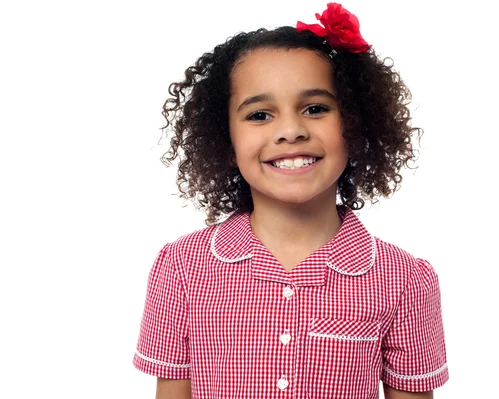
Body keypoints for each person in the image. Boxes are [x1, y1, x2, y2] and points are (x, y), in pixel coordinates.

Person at [132, 3, 449, 398]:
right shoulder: (180, 268)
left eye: (315, 109)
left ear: (355, 123)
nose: (290, 130)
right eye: (260, 115)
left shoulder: (404, 281)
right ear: (225, 139)